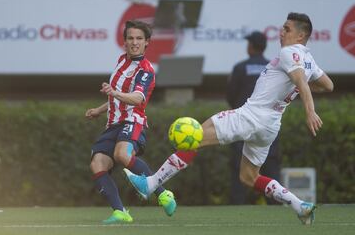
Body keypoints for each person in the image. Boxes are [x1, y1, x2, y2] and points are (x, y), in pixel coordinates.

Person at [124, 12, 334, 225]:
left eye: (287, 29)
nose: (281, 32)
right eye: (282, 27)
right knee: (248, 177)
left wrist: (309, 109)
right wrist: (301, 86)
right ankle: (300, 205)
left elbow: (301, 81)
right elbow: (328, 85)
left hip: (250, 116)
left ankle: (151, 184)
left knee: (195, 136)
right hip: (270, 126)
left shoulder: (289, 52)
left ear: (300, 36)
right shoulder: (309, 60)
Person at [85, 20, 176, 224]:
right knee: (97, 163)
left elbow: (137, 98)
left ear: (147, 43)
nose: (134, 42)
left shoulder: (145, 69)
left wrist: (114, 92)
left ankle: (163, 194)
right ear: (124, 42)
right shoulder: (121, 60)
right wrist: (99, 110)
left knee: (122, 154)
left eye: (139, 39)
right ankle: (120, 212)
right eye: (130, 38)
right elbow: (115, 97)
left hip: (133, 121)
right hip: (113, 123)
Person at [226, 31, 281, 205]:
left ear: (250, 46)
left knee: (239, 172)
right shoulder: (273, 68)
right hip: (267, 125)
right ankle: (277, 208)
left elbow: (231, 96)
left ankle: (238, 208)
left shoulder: (241, 68)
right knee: (271, 169)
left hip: (243, 124)